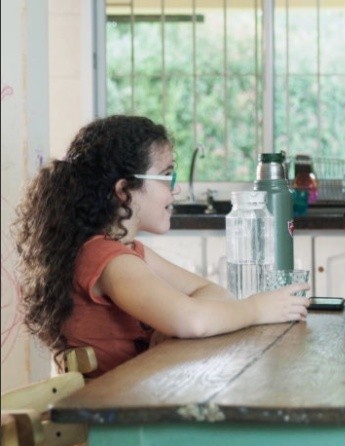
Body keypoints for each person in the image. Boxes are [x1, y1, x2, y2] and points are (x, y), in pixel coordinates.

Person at [13, 115, 310, 377]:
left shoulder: (128, 251)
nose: (176, 188)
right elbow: (193, 321)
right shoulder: (109, 259)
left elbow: (213, 294)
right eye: (166, 176)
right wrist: (257, 309)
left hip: (134, 398)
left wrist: (173, 326)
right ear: (124, 190)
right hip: (114, 421)